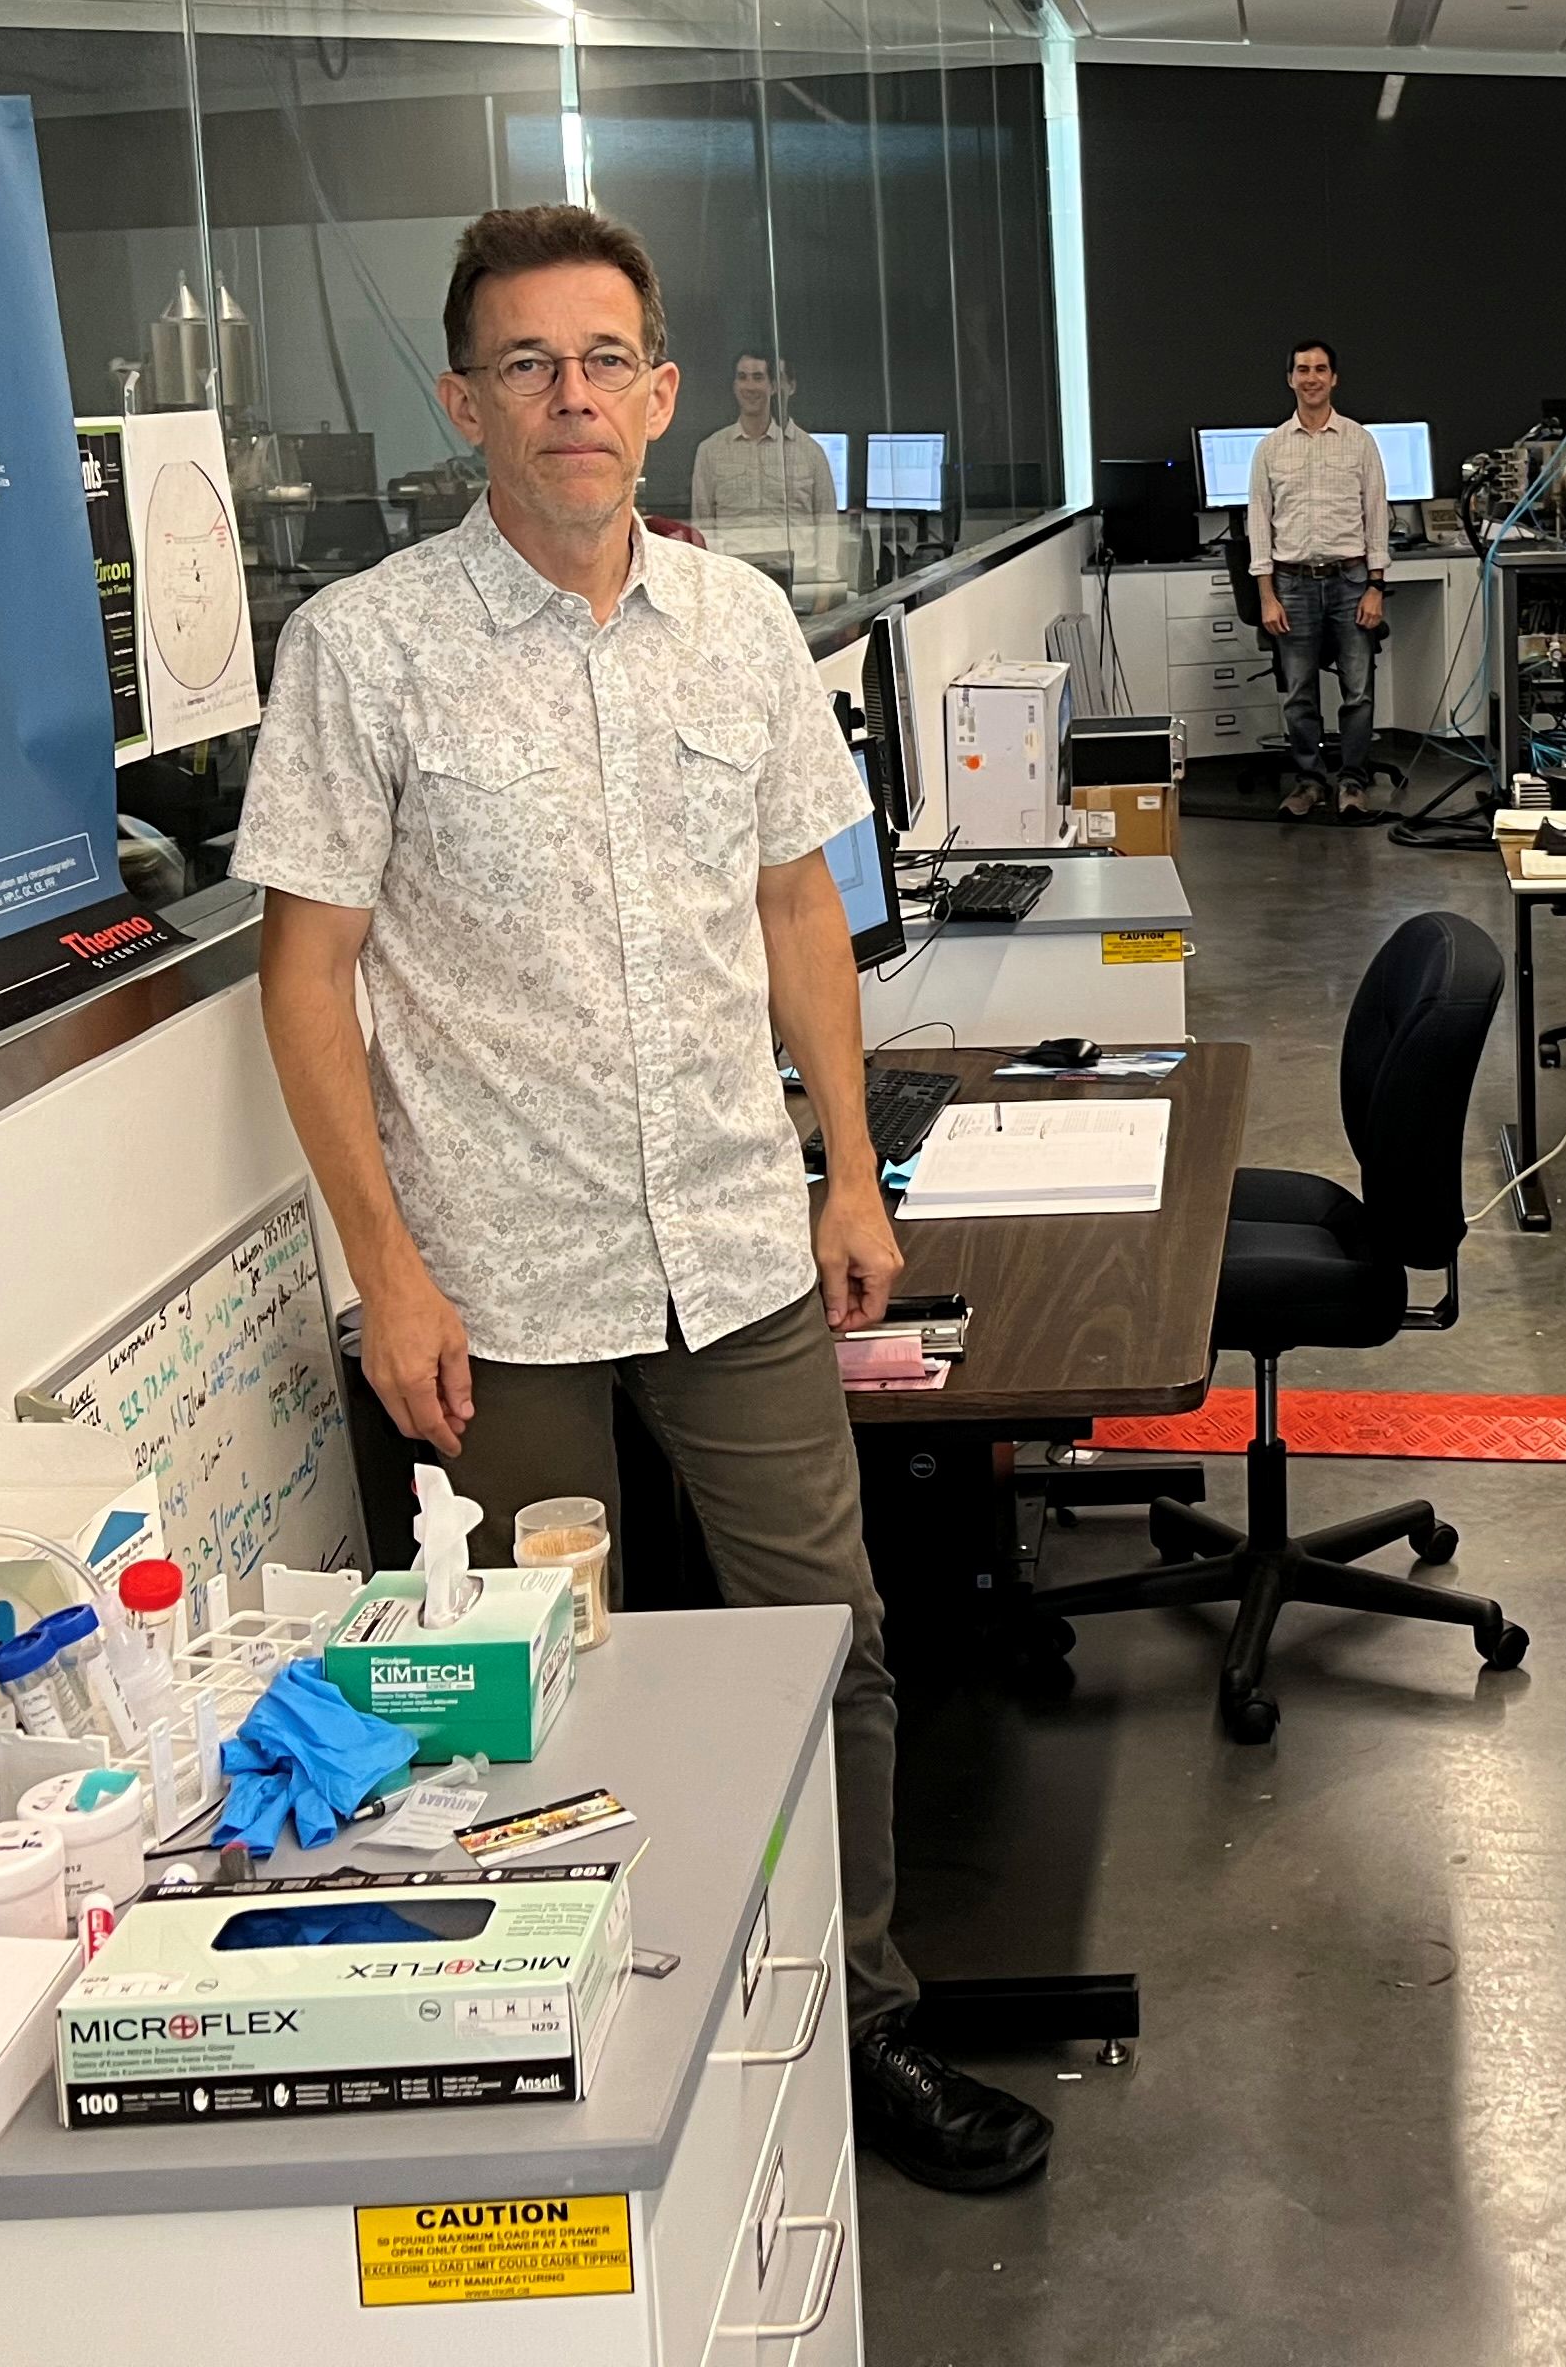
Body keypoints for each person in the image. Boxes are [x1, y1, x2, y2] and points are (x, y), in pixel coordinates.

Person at [229, 205, 1052, 2196]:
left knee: (830, 1645)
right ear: (463, 405)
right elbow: (307, 971)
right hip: (494, 1285)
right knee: (523, 1695)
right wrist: (387, 1276)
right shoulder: (367, 651)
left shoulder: (746, 628)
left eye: (606, 361)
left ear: (664, 396)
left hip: (737, 1245)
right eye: (527, 364)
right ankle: (576, 2057)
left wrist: (853, 1164)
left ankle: (863, 2023)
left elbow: (795, 909)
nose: (572, 397)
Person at [1245, 336, 1389, 819]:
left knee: (1357, 689)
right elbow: (1259, 526)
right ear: (1290, 379)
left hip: (1350, 582)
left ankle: (1352, 781)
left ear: (1334, 378)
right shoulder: (1270, 449)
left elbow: (1376, 517)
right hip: (1292, 584)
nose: (1312, 378)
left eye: (1320, 369)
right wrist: (1266, 596)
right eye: (1303, 370)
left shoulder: (1359, 441)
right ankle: (1309, 781)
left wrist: (1376, 585)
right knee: (1300, 692)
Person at [686, 347, 836, 545]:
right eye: (742, 377)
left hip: (797, 573)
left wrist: (825, 576)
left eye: (758, 377)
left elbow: (828, 528)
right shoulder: (710, 451)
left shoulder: (811, 452)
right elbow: (701, 527)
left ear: (773, 386)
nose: (749, 386)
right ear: (734, 385)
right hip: (734, 572)